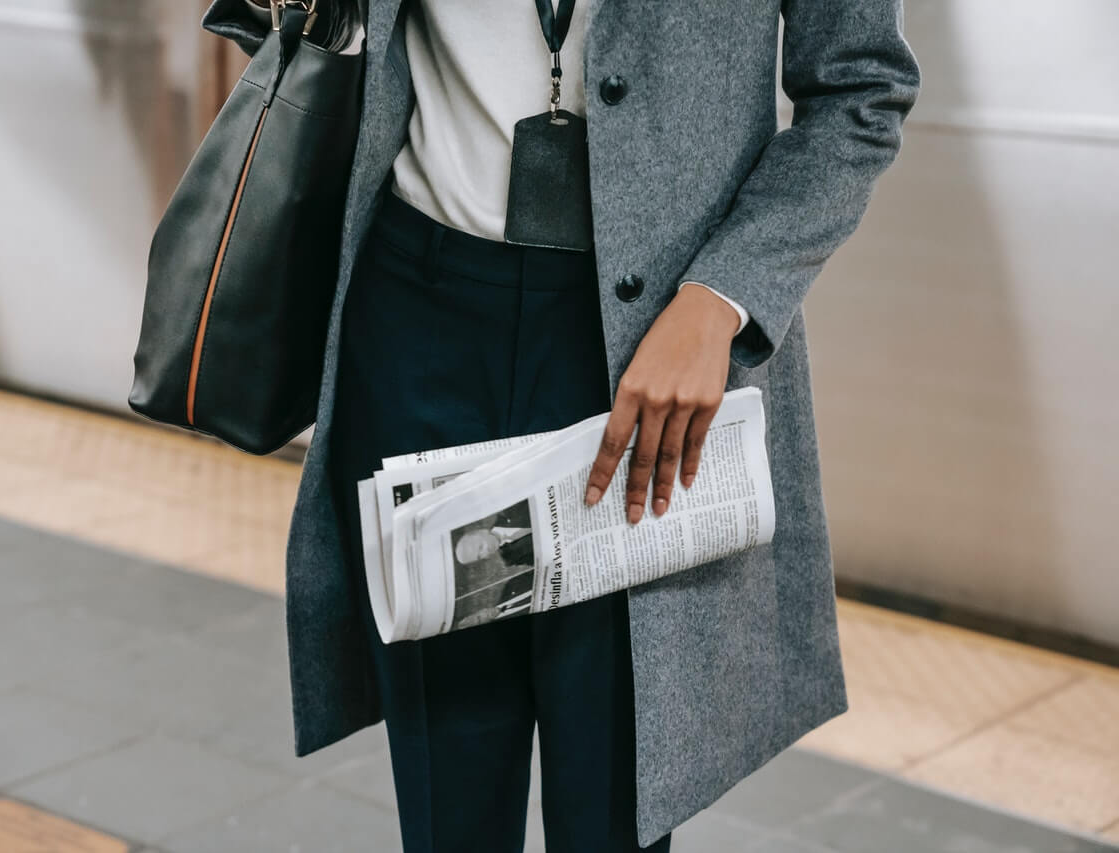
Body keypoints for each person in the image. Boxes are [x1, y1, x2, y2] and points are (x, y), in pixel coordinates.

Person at [204, 0, 920, 849]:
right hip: (419, 325)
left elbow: (861, 90)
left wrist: (722, 298)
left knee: (612, 806)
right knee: (448, 802)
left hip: (645, 359)